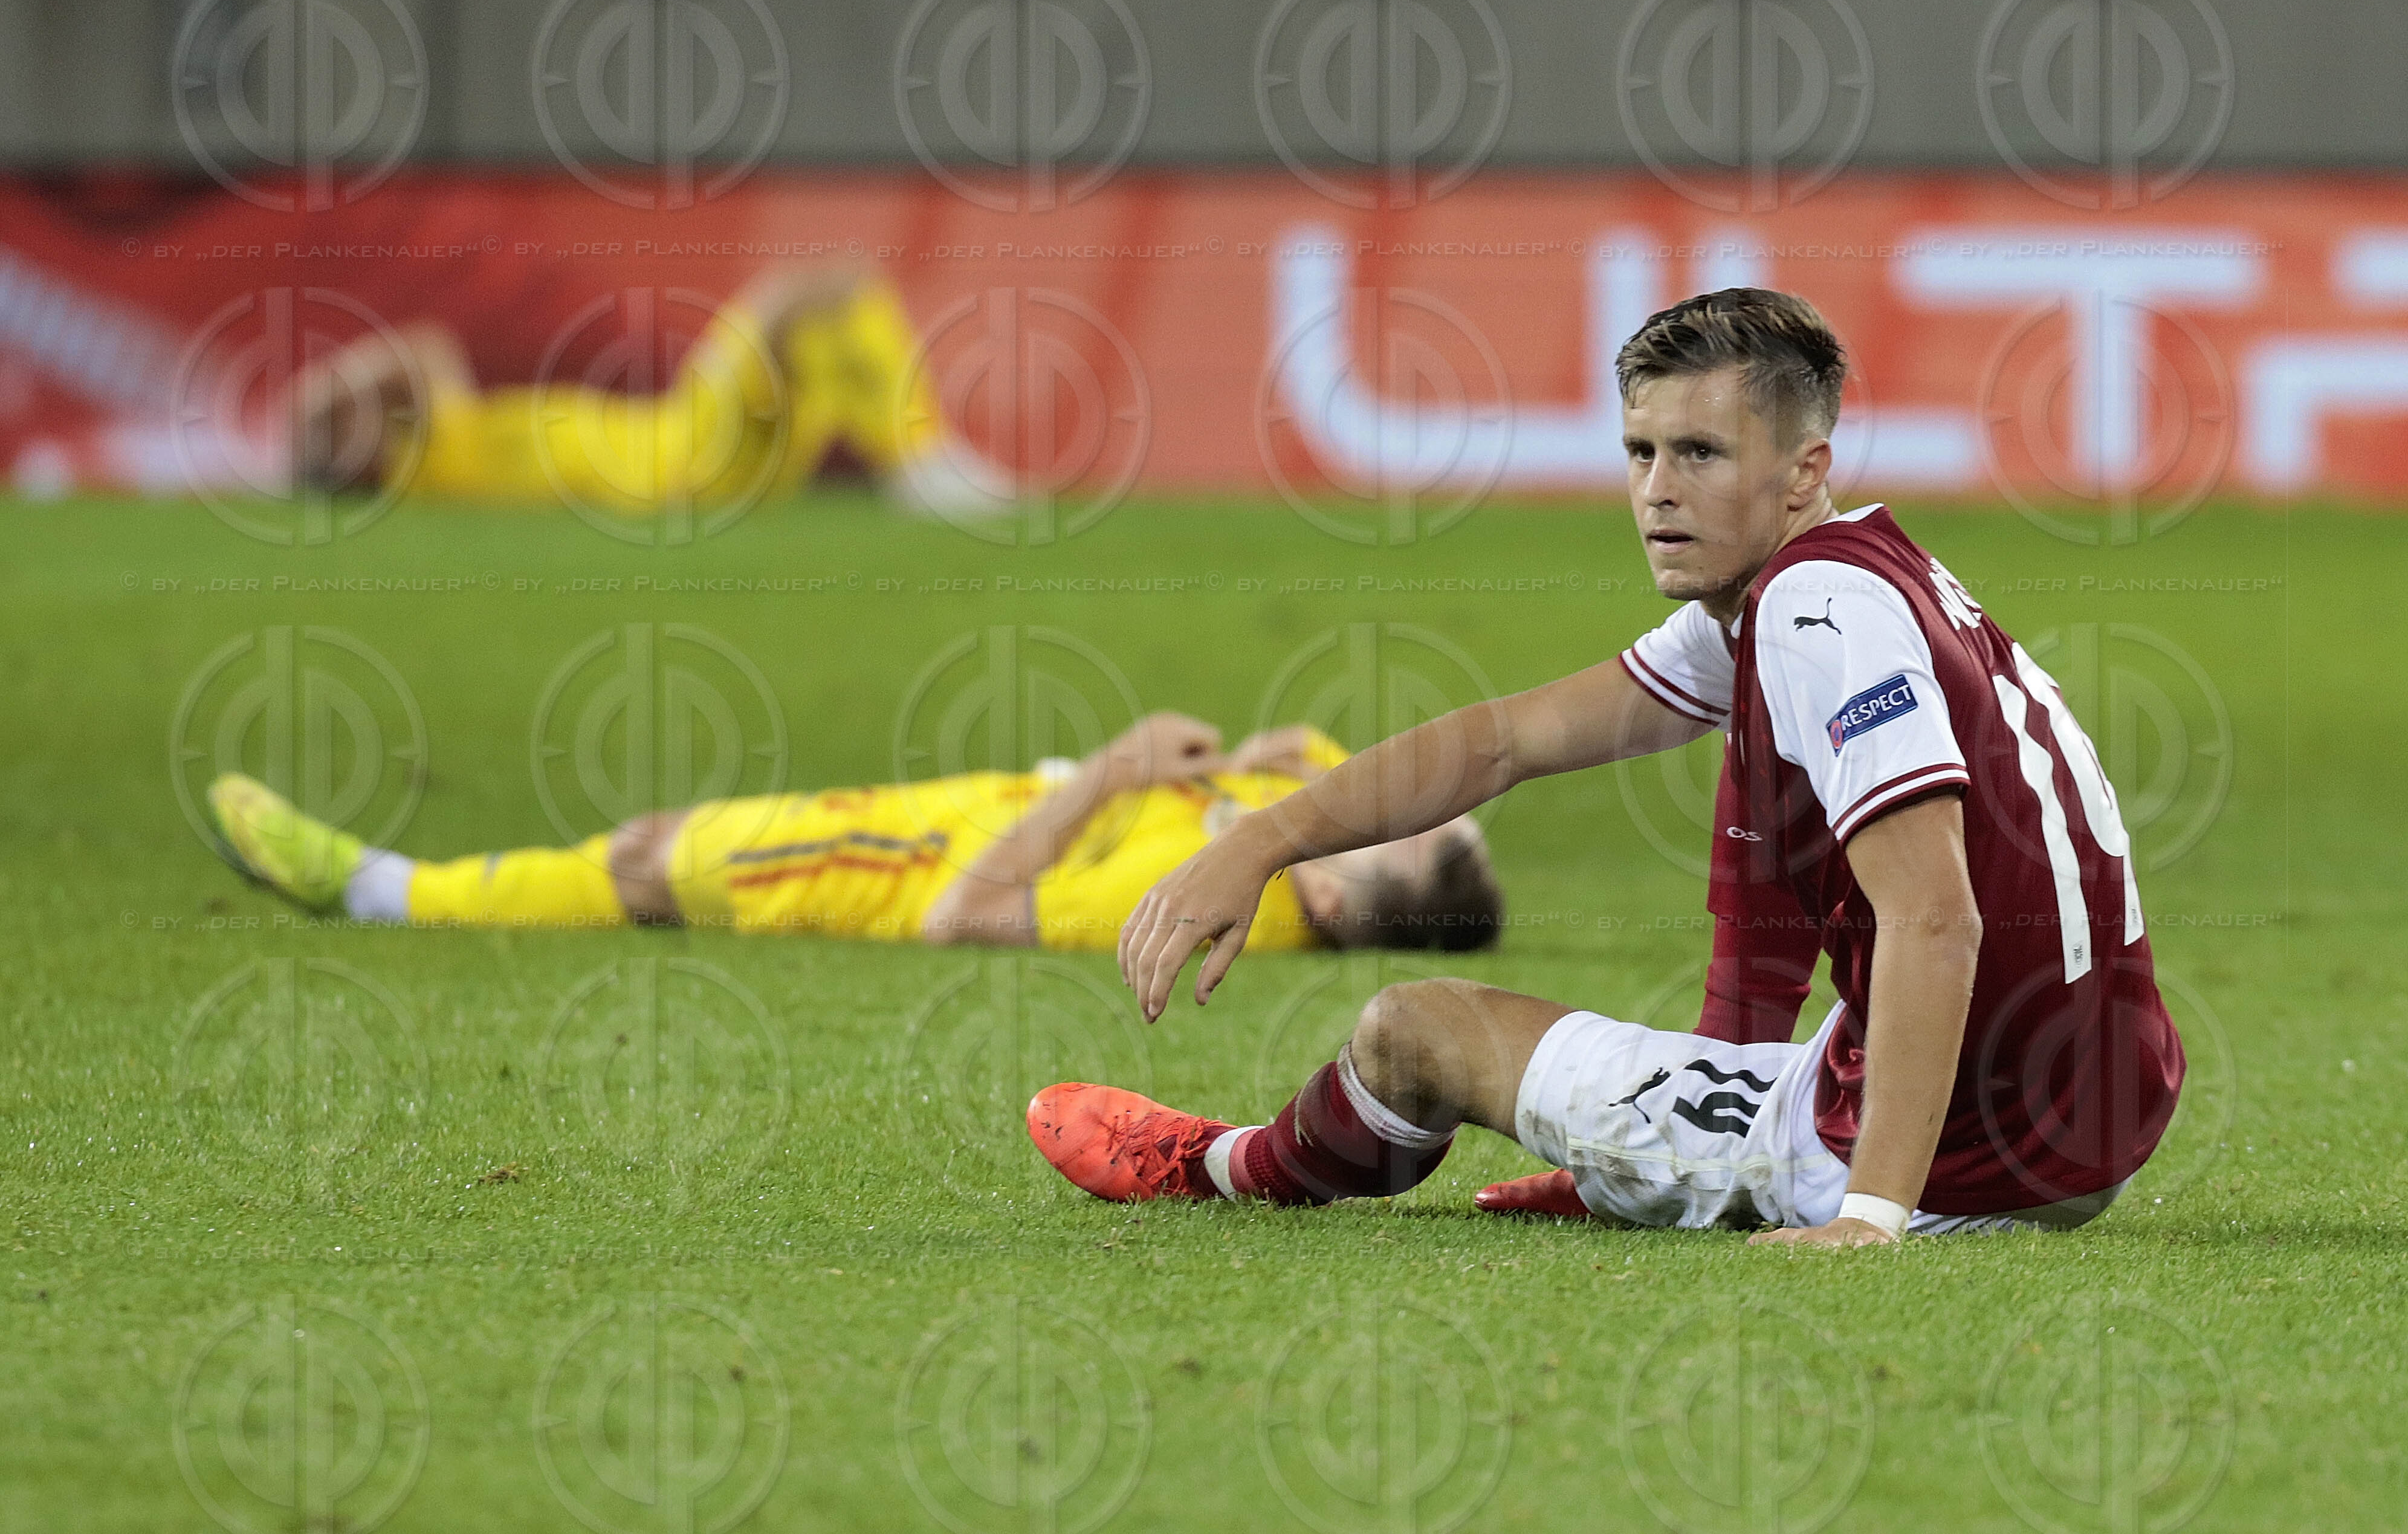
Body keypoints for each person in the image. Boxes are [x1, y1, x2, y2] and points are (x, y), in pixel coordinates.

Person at [1028, 288, 2184, 1244]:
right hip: (2087, 1115)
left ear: (1801, 470)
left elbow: (1936, 918)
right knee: (1737, 1002)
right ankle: (1644, 1169)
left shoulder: (1811, 612)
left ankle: (1220, 1168)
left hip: (1961, 1162)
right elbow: (1502, 738)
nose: (1654, 489)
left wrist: (1867, 1217)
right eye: (1639, 450)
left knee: (1412, 1025)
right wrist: (1261, 837)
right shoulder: (1856, 577)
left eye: (1697, 451)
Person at [205, 714, 1504, 955]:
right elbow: (1330, 754)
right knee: (652, 840)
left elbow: (970, 916)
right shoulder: (1305, 842)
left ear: (1329, 909)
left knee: (654, 863)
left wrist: (1110, 771)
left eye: (1373, 840)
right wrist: (1281, 753)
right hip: (955, 801)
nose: (1354, 809)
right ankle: (396, 885)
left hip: (906, 872)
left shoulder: (1210, 907)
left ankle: (381, 892)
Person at [286, 267, 1004, 520]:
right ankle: (923, 462)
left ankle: (921, 461)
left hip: (697, 457)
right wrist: (336, 394)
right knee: (809, 297)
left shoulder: (444, 433)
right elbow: (411, 353)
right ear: (357, 464)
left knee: (814, 338)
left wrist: (344, 396)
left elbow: (426, 349)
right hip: (685, 461)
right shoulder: (428, 462)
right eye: (346, 427)